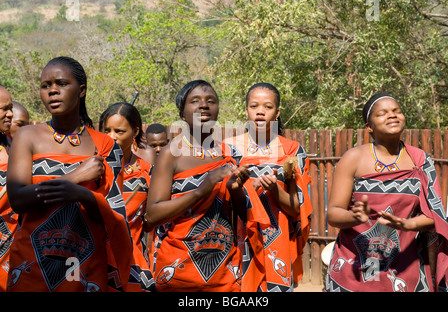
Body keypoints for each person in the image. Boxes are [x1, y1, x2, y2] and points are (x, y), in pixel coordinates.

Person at [5, 56, 152, 292]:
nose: (53, 91)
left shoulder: (105, 146)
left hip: (86, 265)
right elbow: (18, 199)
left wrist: (84, 196)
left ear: (81, 90)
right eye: (46, 86)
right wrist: (73, 179)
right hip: (31, 261)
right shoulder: (27, 137)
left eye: (61, 84)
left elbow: (114, 216)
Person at [145, 80, 262, 292]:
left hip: (224, 273)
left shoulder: (230, 154)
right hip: (178, 270)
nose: (204, 105)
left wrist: (236, 191)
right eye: (195, 101)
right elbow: (152, 215)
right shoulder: (171, 154)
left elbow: (245, 215)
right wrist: (202, 189)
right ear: (182, 114)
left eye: (211, 101)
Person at [325, 93, 448, 292]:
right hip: (354, 269)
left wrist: (407, 224)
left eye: (396, 111)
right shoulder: (353, 159)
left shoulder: (420, 161)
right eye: (382, 113)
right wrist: (354, 216)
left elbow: (435, 215)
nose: (391, 115)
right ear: (369, 126)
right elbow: (333, 213)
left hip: (405, 269)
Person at [223, 82, 313, 292]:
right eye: (254, 106)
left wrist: (274, 190)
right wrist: (247, 190)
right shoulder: (227, 148)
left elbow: (295, 209)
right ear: (246, 111)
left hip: (277, 242)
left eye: (268, 107)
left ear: (277, 112)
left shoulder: (292, 150)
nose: (260, 112)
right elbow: (221, 203)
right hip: (237, 241)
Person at [99, 102, 152, 262]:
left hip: (131, 261)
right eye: (107, 131)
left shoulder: (147, 172)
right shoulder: (91, 167)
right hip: (94, 260)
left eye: (119, 131)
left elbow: (150, 224)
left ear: (135, 131)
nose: (111, 137)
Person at [0, 86, 15, 291]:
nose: (10, 113)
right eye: (4, 109)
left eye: (11, 108)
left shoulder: (12, 145)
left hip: (14, 249)